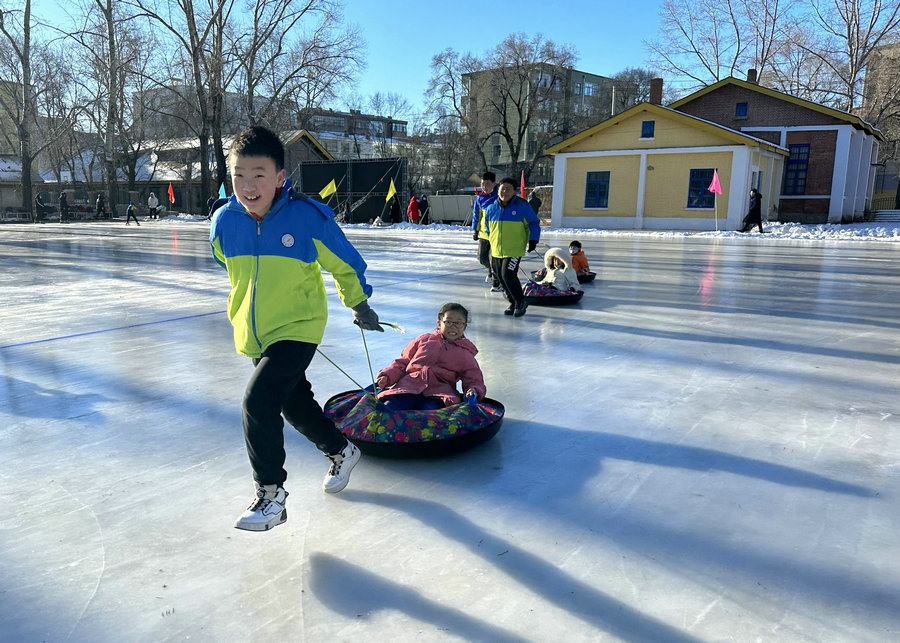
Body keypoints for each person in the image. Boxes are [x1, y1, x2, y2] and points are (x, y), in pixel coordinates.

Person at [209, 125, 382, 532]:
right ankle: (341, 450)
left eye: (259, 175)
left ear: (279, 177)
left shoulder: (306, 218)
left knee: (258, 402)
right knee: (293, 404)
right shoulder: (224, 222)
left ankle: (271, 496)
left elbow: (344, 262)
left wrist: (359, 303)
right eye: (239, 175)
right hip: (256, 332)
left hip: (299, 326)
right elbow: (226, 264)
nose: (248, 185)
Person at [376, 302, 485, 411]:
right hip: (409, 386)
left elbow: (473, 377)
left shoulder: (465, 354)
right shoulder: (423, 340)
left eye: (458, 323)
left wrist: (473, 390)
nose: (453, 326)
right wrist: (387, 376)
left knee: (429, 410)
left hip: (439, 393)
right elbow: (402, 362)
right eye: (448, 322)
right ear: (439, 323)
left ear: (464, 326)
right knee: (389, 407)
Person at [483, 177, 541, 317]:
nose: (504, 192)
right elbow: (487, 227)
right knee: (500, 277)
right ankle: (513, 302)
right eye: (502, 189)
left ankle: (521, 301)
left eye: (508, 189)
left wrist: (533, 239)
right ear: (498, 190)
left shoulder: (522, 206)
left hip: (514, 248)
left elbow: (533, 223)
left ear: (514, 191)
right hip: (496, 249)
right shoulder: (491, 208)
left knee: (508, 274)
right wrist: (490, 241)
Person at [471, 171, 501, 291]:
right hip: (484, 234)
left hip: (496, 234)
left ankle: (497, 282)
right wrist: (475, 230)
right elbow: (476, 216)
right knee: (482, 258)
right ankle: (491, 270)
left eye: (487, 184)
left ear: (494, 184)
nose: (484, 187)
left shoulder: (499, 197)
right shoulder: (480, 198)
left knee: (494, 259)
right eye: (482, 184)